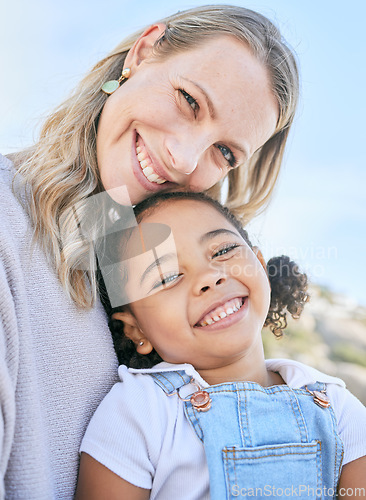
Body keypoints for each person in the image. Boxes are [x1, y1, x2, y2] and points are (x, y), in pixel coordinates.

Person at [0, 5, 300, 498]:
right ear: (143, 51)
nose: (184, 159)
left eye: (224, 152)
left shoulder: (154, 303)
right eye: (189, 100)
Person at [76, 191, 366, 500]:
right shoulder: (137, 410)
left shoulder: (335, 403)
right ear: (136, 331)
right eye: (168, 277)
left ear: (259, 263)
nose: (210, 277)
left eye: (223, 250)